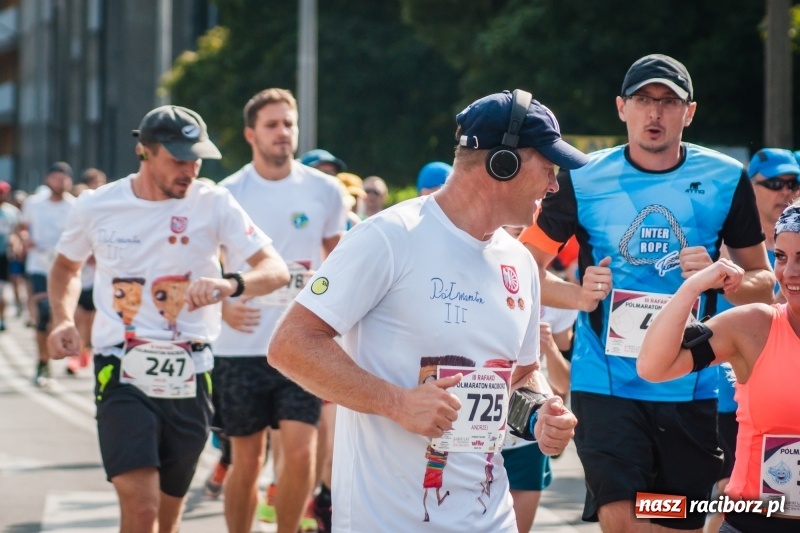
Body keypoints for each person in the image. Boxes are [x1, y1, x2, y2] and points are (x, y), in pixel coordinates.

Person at [269, 88, 581, 532]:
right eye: (548, 168)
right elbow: (289, 344)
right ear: (502, 163)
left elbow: (521, 375)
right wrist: (395, 402)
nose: (553, 185)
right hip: (389, 522)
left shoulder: (519, 263)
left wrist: (539, 413)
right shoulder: (388, 238)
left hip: (492, 520)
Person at [519, 53, 775, 531]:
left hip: (689, 382)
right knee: (623, 517)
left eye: (668, 102)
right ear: (622, 108)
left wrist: (728, 278)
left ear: (689, 112)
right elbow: (521, 266)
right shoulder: (583, 176)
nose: (654, 113)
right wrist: (578, 297)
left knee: (670, 519)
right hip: (606, 382)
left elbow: (765, 281)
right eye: (643, 100)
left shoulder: (723, 177)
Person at [45, 104, 290, 533]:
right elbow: (66, 267)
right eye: (178, 158)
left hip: (191, 369)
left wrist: (227, 284)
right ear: (145, 151)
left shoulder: (214, 202)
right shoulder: (98, 206)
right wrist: (63, 320)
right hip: (121, 366)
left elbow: (276, 271)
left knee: (167, 514)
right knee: (140, 509)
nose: (190, 169)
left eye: (196, 158)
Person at [214, 88, 345, 533]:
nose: (283, 133)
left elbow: (342, 260)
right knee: (246, 459)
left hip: (299, 341)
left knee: (302, 451)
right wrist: (222, 309)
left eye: (288, 124)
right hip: (241, 344)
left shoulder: (325, 191)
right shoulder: (228, 192)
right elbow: (202, 259)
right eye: (272, 125)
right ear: (251, 133)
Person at [638, 202, 800, 532]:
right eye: (781, 256)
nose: (788, 272)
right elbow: (654, 366)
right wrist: (693, 286)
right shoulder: (755, 325)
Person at [705, 148, 800, 532]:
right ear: (752, 187)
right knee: (731, 489)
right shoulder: (733, 244)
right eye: (774, 183)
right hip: (735, 389)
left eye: (793, 183)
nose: (785, 192)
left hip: (785, 388)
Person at [19, 162, 76, 386]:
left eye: (64, 178)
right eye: (56, 177)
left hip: (65, 267)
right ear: (47, 179)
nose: (60, 182)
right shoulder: (34, 204)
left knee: (56, 315)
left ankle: (52, 354)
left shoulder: (75, 206)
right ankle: (43, 363)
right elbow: (23, 227)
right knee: (43, 312)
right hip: (39, 266)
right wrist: (24, 238)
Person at [0, 180, 21, 332]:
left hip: (4, 256)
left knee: (2, 290)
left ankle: (2, 317)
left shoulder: (12, 212)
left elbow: (17, 232)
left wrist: (16, 244)